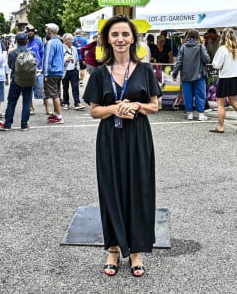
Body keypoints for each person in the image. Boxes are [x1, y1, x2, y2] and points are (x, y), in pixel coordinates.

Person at [83, 15, 161, 277]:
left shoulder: (144, 70)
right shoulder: (98, 73)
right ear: (107, 39)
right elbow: (94, 111)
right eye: (114, 35)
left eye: (125, 34)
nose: (120, 39)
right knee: (111, 191)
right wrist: (115, 109)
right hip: (109, 138)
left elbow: (154, 106)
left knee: (139, 190)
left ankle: (137, 250)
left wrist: (136, 105)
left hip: (138, 136)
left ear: (132, 38)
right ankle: (113, 249)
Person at [210, 28, 237, 133]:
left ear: (222, 37)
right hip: (236, 78)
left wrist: (214, 63)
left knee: (220, 104)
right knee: (234, 102)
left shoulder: (222, 49)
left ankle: (220, 126)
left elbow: (217, 65)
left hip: (225, 78)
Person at [171, 29, 210, 121]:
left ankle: (189, 113)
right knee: (200, 94)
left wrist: (175, 73)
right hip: (199, 74)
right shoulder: (200, 46)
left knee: (187, 95)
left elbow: (179, 62)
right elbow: (207, 59)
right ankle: (200, 114)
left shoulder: (183, 47)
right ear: (197, 36)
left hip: (186, 75)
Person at [1, 33, 33, 131]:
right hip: (28, 80)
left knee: (11, 102)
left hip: (16, 79)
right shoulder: (31, 53)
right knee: (27, 102)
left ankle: (7, 124)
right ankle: (24, 125)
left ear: (16, 41)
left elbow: (10, 66)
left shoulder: (12, 53)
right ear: (27, 41)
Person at [42, 23, 65, 124]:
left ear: (50, 31)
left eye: (46, 29)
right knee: (56, 92)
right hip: (59, 71)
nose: (46, 31)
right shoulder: (59, 42)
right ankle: (56, 113)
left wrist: (45, 73)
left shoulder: (50, 43)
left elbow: (47, 59)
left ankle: (59, 116)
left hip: (52, 71)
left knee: (54, 94)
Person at [25, 25, 49, 116]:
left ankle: (47, 107)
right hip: (27, 70)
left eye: (31, 31)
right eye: (28, 31)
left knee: (42, 89)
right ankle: (31, 107)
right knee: (28, 90)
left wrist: (43, 67)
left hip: (38, 70)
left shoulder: (38, 41)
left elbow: (42, 54)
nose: (30, 32)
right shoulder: (24, 41)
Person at [62, 33, 85, 110]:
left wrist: (77, 69)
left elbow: (77, 59)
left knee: (75, 87)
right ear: (65, 41)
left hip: (74, 70)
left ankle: (77, 102)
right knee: (65, 88)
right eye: (70, 39)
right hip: (65, 71)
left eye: (72, 39)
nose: (72, 41)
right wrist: (65, 60)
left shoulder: (74, 48)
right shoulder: (61, 48)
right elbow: (58, 60)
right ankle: (66, 102)